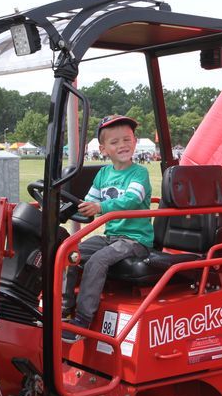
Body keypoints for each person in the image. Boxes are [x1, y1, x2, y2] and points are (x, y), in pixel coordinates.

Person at [62, 114, 153, 343]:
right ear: (103, 149)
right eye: (115, 142)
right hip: (112, 236)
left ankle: (83, 320)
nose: (122, 145)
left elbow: (131, 200)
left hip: (135, 240)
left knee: (97, 261)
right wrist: (67, 208)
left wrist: (100, 207)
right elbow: (88, 201)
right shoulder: (103, 174)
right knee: (70, 252)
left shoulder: (139, 173)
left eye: (127, 139)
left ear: (135, 141)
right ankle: (63, 308)